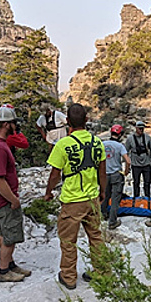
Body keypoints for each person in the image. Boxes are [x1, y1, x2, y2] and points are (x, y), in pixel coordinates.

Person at [44, 103, 107, 290]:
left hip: (72, 201)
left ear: (68, 122)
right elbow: (102, 172)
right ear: (87, 120)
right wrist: (102, 191)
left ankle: (69, 277)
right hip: (92, 198)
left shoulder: (63, 145)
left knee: (68, 241)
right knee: (95, 237)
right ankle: (102, 272)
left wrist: (48, 192)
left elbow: (55, 174)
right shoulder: (97, 142)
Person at [0, 106, 31, 282]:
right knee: (10, 235)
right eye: (14, 123)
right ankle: (3, 272)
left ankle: (10, 264)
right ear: (7, 124)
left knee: (4, 232)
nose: (15, 126)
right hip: (3, 199)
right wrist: (14, 200)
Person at [101, 124, 131, 230]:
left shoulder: (102, 144)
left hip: (104, 175)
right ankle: (112, 222)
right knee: (115, 199)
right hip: (116, 174)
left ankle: (102, 215)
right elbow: (128, 160)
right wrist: (126, 172)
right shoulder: (120, 146)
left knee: (105, 196)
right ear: (120, 134)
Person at [125, 121, 151, 199]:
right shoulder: (130, 139)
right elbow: (126, 152)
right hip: (135, 164)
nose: (141, 130)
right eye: (139, 128)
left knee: (147, 182)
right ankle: (136, 198)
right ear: (136, 128)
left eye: (142, 128)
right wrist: (127, 165)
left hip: (146, 163)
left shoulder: (147, 137)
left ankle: (147, 197)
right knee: (136, 183)